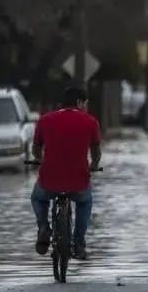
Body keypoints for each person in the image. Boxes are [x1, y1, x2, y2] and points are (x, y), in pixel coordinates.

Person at [31, 86, 102, 260]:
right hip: (78, 182)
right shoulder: (91, 122)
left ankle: (43, 227)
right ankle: (78, 244)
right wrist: (94, 165)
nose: (86, 107)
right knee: (85, 202)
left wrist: (41, 160)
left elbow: (35, 149)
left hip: (49, 181)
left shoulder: (44, 120)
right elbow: (96, 153)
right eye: (85, 104)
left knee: (38, 197)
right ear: (79, 102)